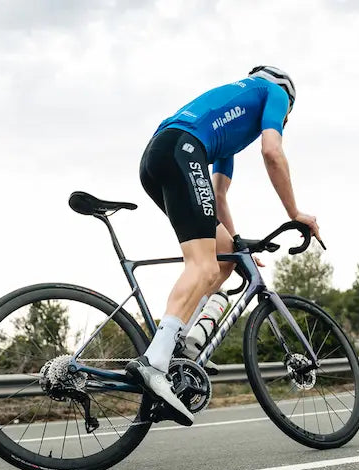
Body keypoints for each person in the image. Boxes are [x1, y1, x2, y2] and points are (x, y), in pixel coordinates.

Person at [127, 65, 321, 426]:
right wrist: (295, 213)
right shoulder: (274, 92)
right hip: (182, 150)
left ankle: (181, 345)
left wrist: (236, 246)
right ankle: (155, 362)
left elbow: (217, 196)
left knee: (224, 260)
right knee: (202, 266)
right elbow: (272, 152)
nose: (283, 120)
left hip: (159, 155)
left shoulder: (229, 122)